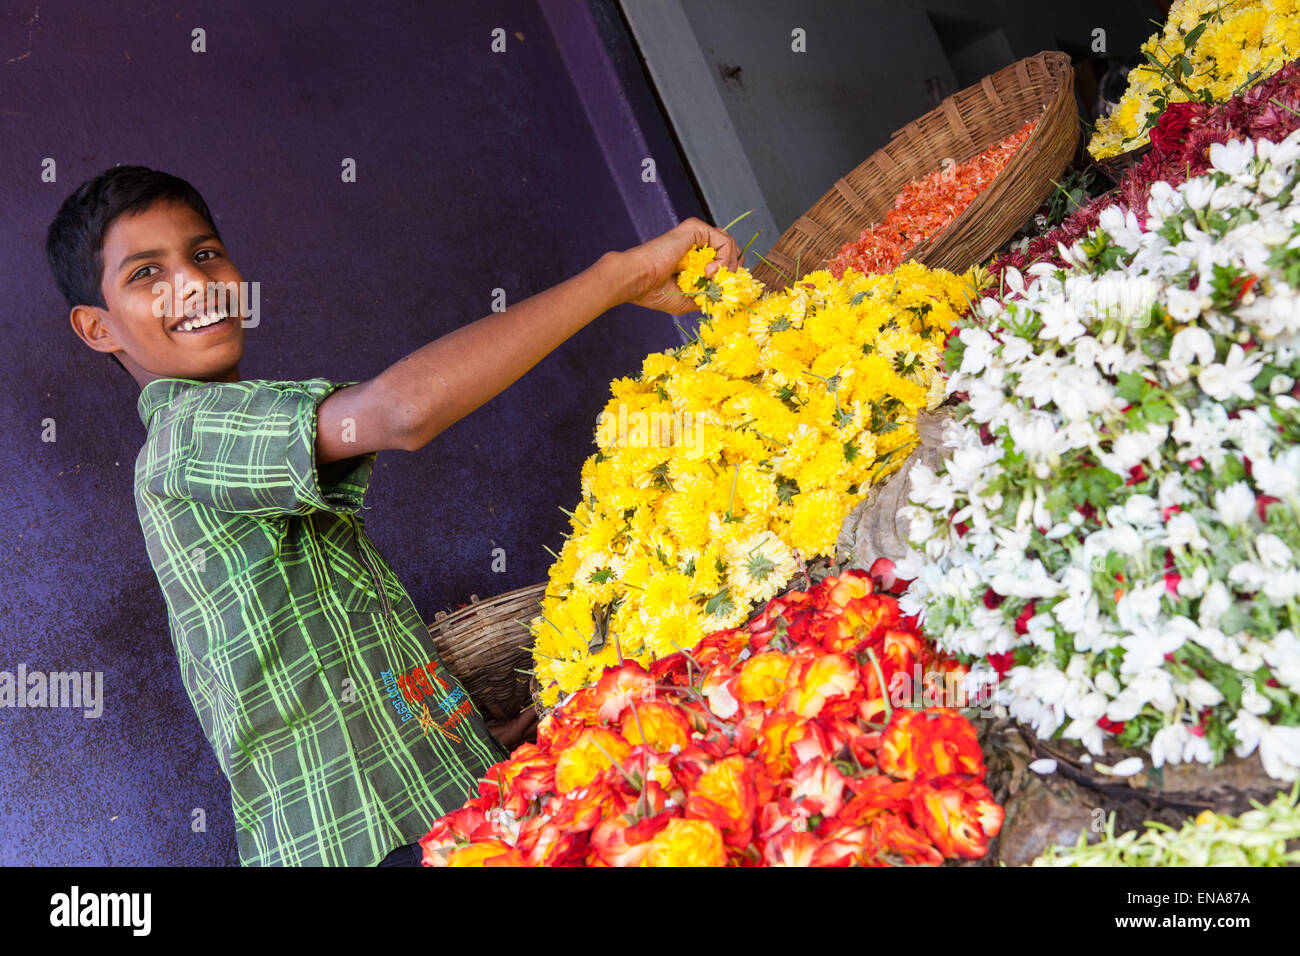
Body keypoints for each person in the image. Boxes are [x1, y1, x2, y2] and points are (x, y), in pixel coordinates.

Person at [45, 165, 743, 866]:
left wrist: (450, 742)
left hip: (417, 821)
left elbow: (326, 654)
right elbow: (403, 412)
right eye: (145, 274)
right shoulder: (188, 435)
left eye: (204, 255)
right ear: (97, 328)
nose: (192, 284)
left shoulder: (241, 432)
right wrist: (618, 277)